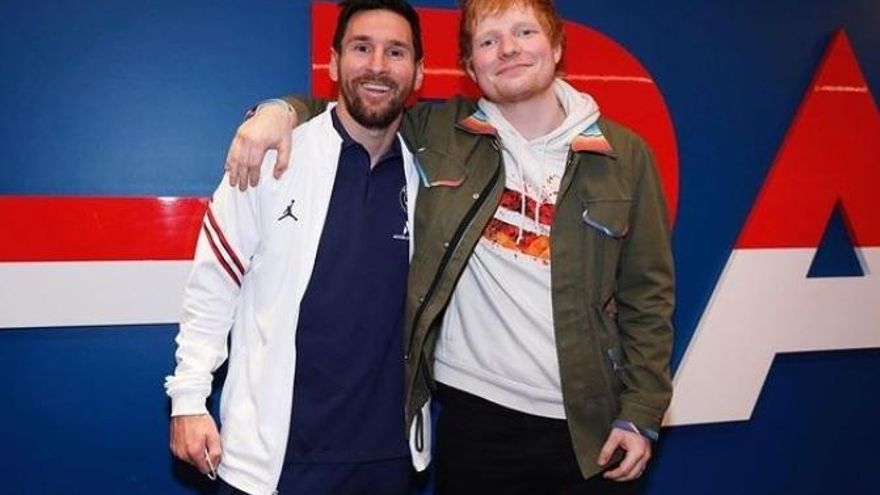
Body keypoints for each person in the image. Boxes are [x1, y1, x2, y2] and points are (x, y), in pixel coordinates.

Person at [226, 1, 674, 493]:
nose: (508, 49)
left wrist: (641, 412)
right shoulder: (440, 132)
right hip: (473, 419)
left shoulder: (624, 155)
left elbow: (648, 295)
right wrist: (277, 111)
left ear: (557, 46)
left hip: (588, 425)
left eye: (524, 32)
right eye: (488, 40)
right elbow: (358, 108)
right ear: (468, 66)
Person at [164, 1, 428, 494]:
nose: (376, 65)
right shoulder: (270, 158)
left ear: (418, 73)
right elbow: (214, 284)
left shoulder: (431, 177)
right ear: (333, 62)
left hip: (388, 461)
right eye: (361, 48)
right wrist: (188, 399)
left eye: (396, 52)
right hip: (273, 462)